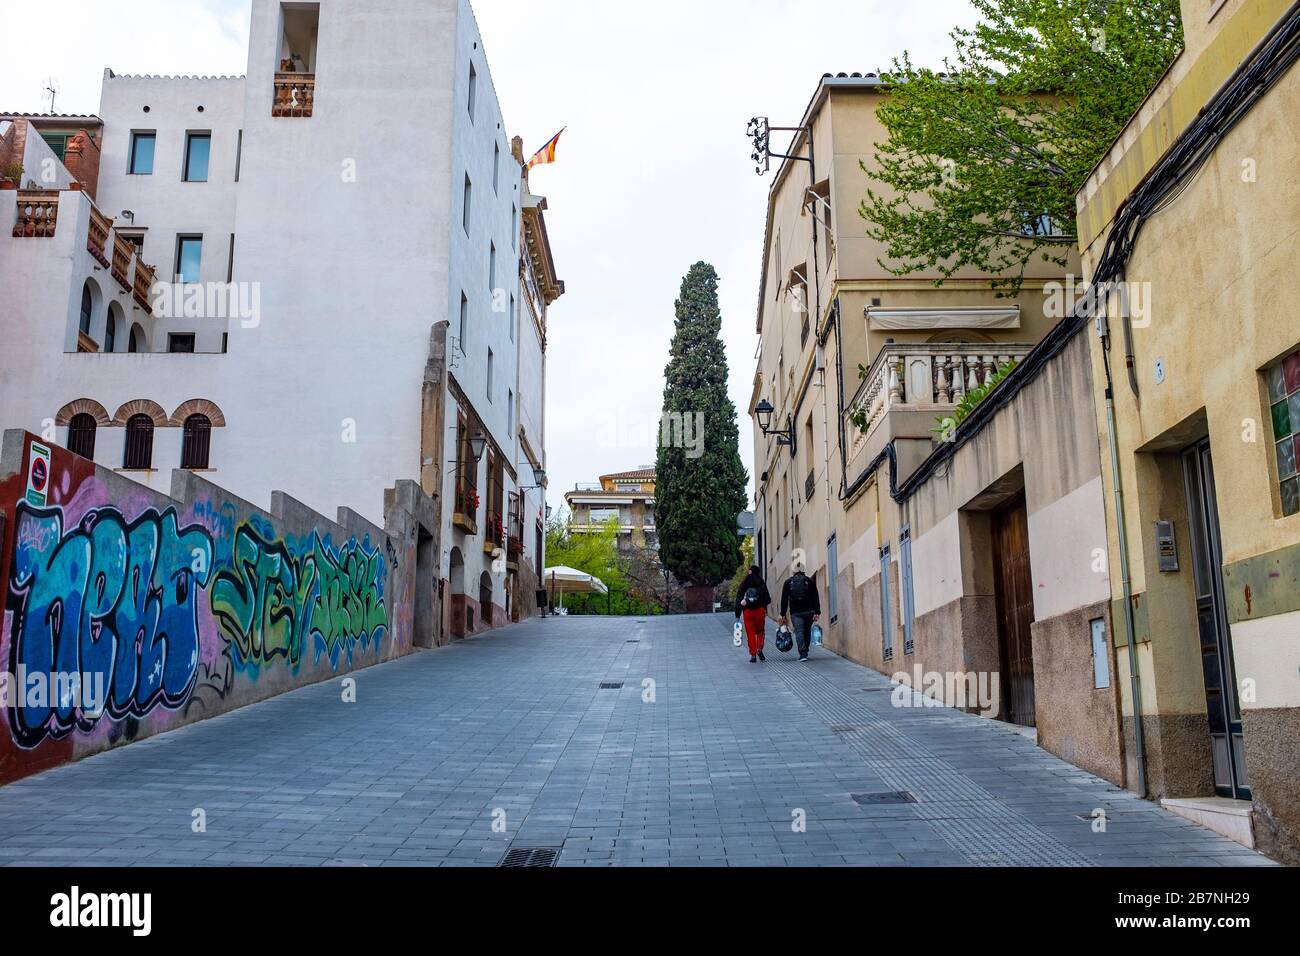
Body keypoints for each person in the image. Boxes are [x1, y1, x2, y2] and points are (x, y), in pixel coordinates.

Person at [780, 567, 821, 662]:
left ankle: (802, 653)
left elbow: (784, 599)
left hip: (795, 612)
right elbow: (815, 597)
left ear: (793, 572)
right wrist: (817, 611)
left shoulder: (788, 582)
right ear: (803, 571)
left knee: (799, 631)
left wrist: (783, 613)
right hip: (809, 611)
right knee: (807, 631)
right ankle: (806, 650)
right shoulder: (810, 581)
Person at [734, 566, 772, 664]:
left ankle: (753, 654)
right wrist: (761, 605)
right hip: (759, 611)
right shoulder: (761, 583)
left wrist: (738, 615)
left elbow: (738, 600)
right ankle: (759, 648)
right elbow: (767, 599)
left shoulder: (744, 584)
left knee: (750, 633)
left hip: (747, 612)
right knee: (760, 631)